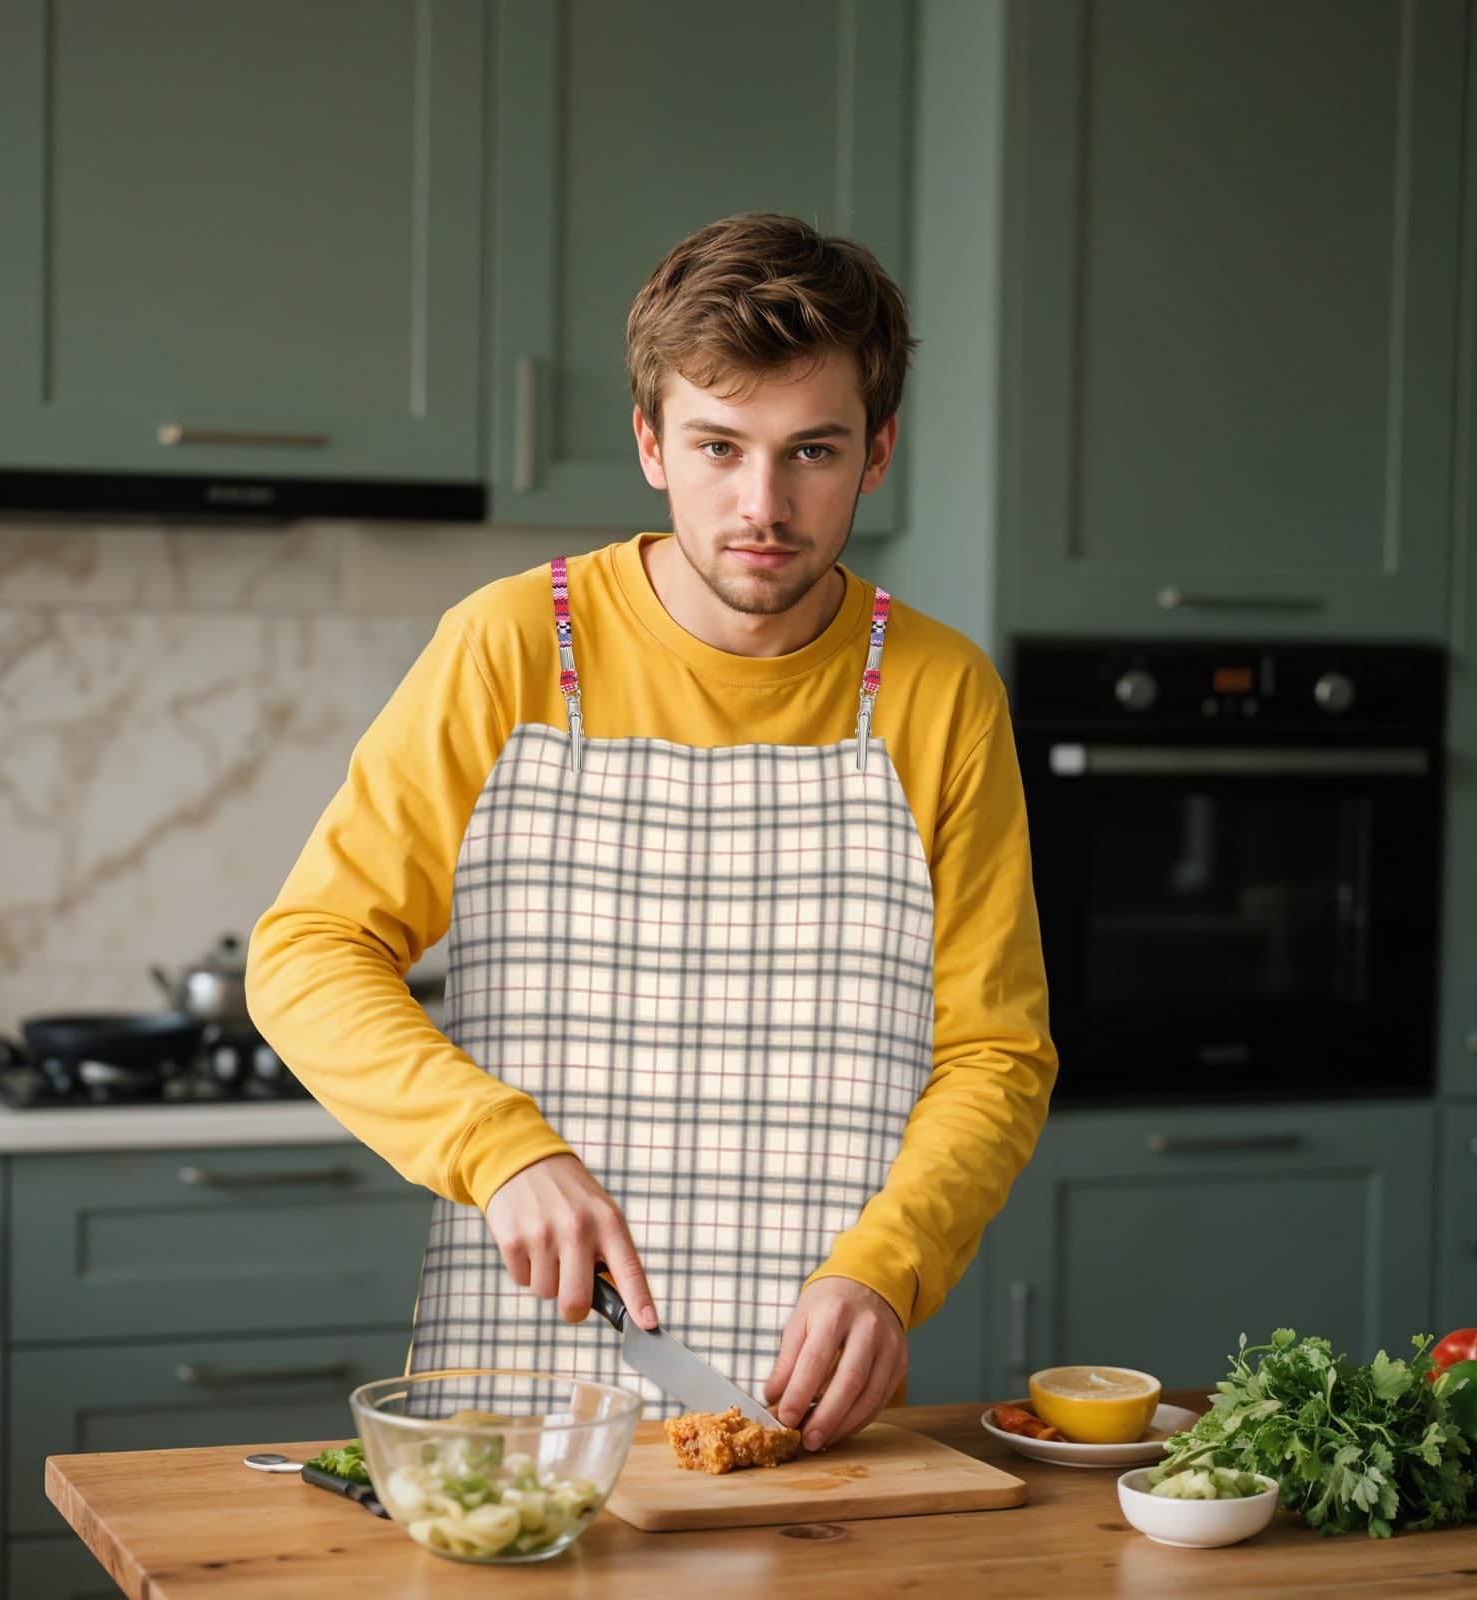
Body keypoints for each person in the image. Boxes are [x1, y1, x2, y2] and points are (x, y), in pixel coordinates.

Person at [246, 211, 1057, 1453]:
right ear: (649, 443)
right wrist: (498, 1150)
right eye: (718, 445)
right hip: (507, 1402)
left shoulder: (941, 693)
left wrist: (893, 1266)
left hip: (808, 1408)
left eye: (813, 451)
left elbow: (994, 1051)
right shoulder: (510, 645)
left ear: (877, 453)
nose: (762, 503)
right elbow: (306, 951)